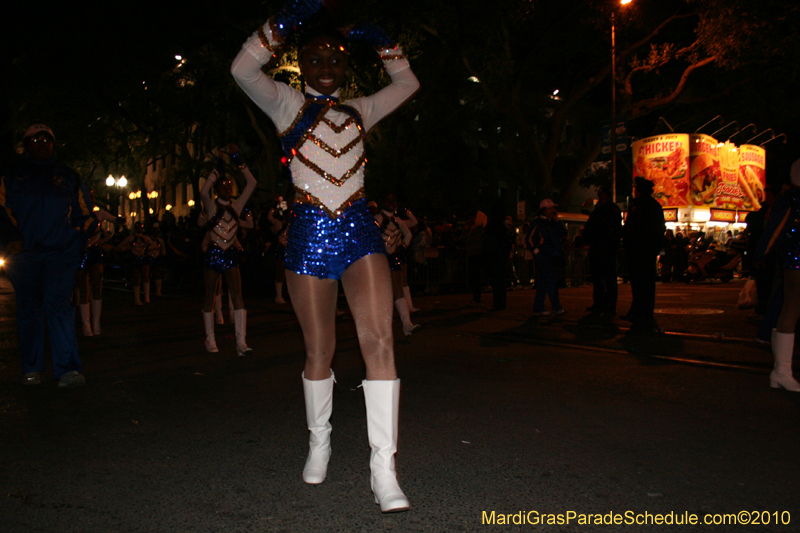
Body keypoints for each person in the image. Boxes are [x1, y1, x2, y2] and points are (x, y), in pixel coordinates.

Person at [231, 0, 419, 512]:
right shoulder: (284, 103)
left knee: (379, 339)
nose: (328, 67)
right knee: (320, 350)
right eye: (315, 59)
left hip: (360, 231)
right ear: (299, 65)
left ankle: (384, 468)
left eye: (336, 58)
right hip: (308, 234)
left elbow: (407, 84)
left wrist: (383, 42)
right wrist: (284, 22)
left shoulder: (362, 109)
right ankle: (321, 442)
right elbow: (242, 68)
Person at [0, 124, 97, 387]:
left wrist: (77, 240)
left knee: (59, 307)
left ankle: (67, 370)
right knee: (29, 310)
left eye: (47, 139)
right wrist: (12, 239)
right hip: (25, 255)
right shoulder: (12, 175)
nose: (41, 143)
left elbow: (86, 214)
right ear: (26, 143)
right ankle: (31, 369)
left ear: (53, 144)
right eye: (35, 139)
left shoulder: (68, 176)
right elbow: (1, 210)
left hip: (60, 253)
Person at [199, 152, 257, 357]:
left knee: (237, 295)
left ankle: (241, 342)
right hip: (214, 253)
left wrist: (239, 161)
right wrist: (215, 171)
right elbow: (203, 192)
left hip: (231, 253)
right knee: (210, 296)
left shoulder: (237, 206)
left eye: (230, 185)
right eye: (224, 185)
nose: (228, 188)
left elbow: (251, 183)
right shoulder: (212, 206)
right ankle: (210, 339)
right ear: (217, 189)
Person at [755, 159, 800, 391]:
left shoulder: (790, 198)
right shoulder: (792, 198)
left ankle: (781, 369)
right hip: (796, 259)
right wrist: (761, 255)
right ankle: (782, 370)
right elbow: (776, 228)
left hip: (792, 257)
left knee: (790, 306)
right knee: (791, 306)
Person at [623, 177, 666, 332]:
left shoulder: (640, 205)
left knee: (639, 281)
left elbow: (631, 227)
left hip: (639, 249)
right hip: (645, 250)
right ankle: (643, 311)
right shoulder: (654, 205)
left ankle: (640, 311)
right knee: (645, 282)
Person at [376, 195, 420, 335]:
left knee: (398, 288)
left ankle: (407, 323)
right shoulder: (376, 219)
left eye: (393, 201)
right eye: (388, 201)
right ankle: (379, 325)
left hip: (393, 258)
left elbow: (408, 234)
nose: (391, 203)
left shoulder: (398, 220)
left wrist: (402, 247)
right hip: (379, 259)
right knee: (380, 291)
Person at [582, 186, 622, 319]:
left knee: (610, 279)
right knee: (597, 278)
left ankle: (610, 306)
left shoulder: (613, 209)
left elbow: (613, 229)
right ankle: (598, 303)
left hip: (608, 249)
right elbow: (589, 226)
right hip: (596, 248)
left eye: (604, 195)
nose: (602, 198)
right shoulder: (597, 210)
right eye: (600, 196)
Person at [527, 199, 566, 316]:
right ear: (543, 210)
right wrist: (536, 250)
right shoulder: (537, 223)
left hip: (551, 255)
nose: (552, 210)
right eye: (550, 208)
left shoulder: (552, 222)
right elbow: (529, 238)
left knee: (544, 282)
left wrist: (557, 220)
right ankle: (556, 306)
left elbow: (563, 233)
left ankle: (538, 307)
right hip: (544, 255)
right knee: (551, 280)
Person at [483, 204, 513, 311]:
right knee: (500, 281)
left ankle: (498, 303)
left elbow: (488, 242)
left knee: (497, 281)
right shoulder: (501, 225)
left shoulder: (493, 225)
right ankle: (500, 303)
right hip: (500, 256)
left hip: (495, 256)